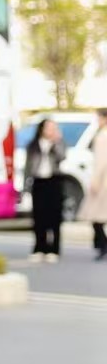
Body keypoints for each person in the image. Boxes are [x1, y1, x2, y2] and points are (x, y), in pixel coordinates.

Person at [26, 117, 67, 263]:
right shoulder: (33, 145)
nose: (51, 130)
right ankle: (39, 248)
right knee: (39, 217)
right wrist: (26, 186)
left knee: (54, 217)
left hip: (54, 181)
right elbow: (28, 167)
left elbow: (62, 157)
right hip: (39, 182)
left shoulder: (58, 143)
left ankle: (54, 249)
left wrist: (56, 142)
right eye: (48, 127)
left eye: (53, 127)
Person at [79, 108, 107, 260]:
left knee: (96, 216)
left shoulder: (102, 136)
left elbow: (101, 162)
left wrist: (95, 181)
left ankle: (102, 244)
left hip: (103, 181)